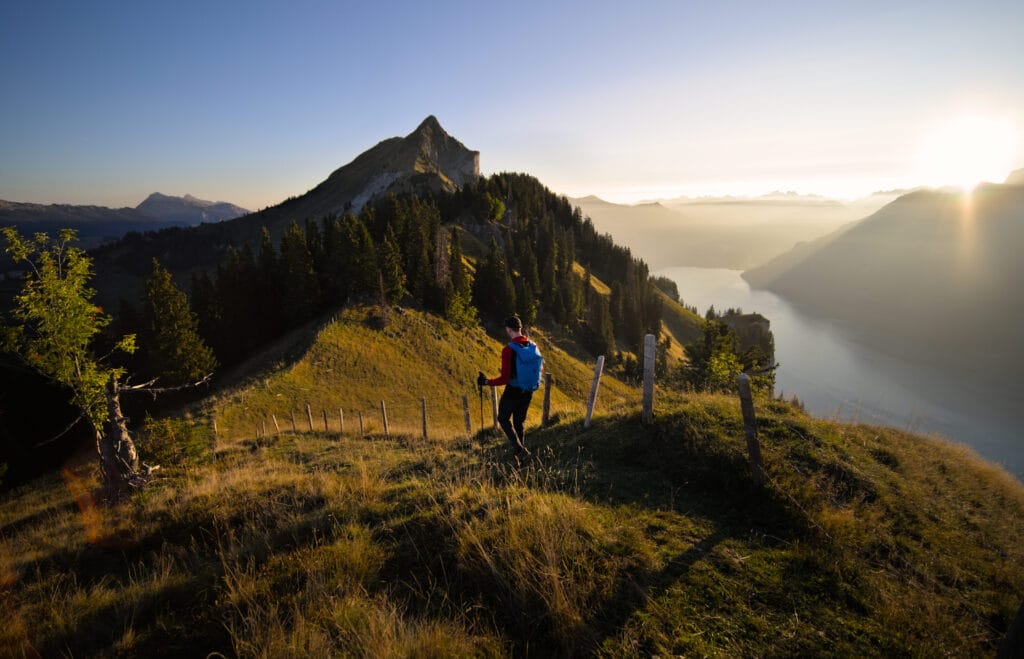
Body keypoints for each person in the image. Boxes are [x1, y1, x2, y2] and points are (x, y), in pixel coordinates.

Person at [478, 314, 543, 462]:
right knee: (519, 422)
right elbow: (540, 370)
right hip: (528, 390)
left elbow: (505, 379)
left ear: (508, 330)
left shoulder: (509, 349)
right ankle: (521, 455)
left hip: (513, 390)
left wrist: (487, 382)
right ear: (520, 328)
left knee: (503, 418)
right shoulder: (533, 346)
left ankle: (520, 449)